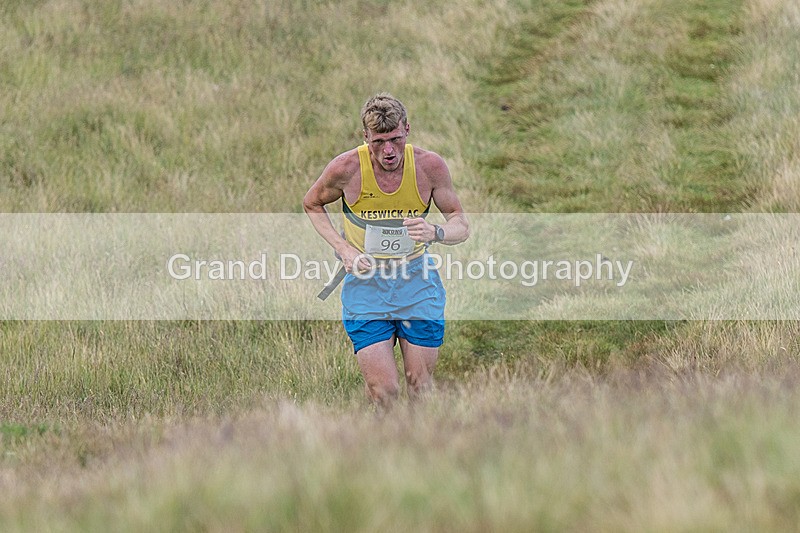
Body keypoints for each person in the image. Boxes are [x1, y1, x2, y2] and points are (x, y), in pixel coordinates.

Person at [303, 93, 469, 408]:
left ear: (407, 129)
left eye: (395, 139)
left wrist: (436, 232)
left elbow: (461, 223)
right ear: (365, 137)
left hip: (417, 283)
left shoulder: (429, 167)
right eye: (379, 142)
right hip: (366, 286)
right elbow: (311, 203)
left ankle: (421, 449)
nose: (388, 150)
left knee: (419, 387)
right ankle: (385, 450)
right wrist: (343, 249)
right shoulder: (346, 168)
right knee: (385, 391)